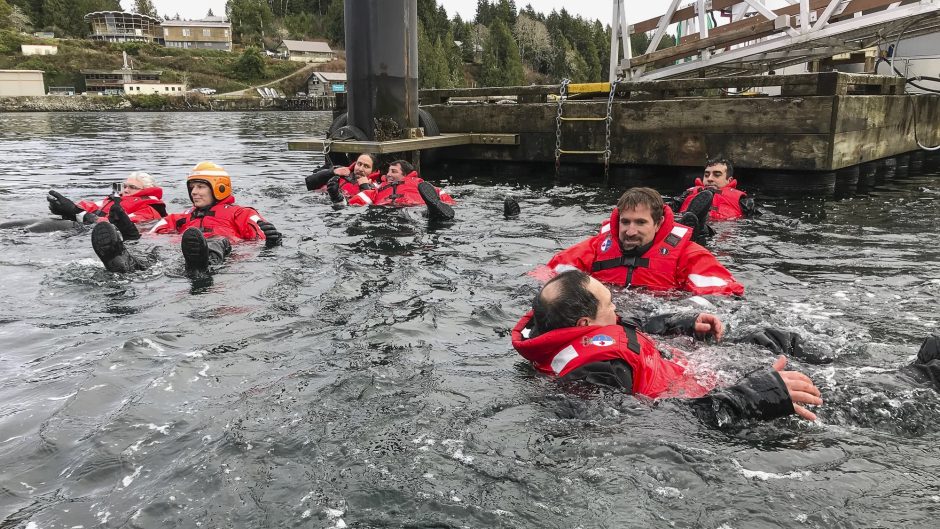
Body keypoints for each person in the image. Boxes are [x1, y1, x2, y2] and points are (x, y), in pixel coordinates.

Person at [512, 270, 823, 425]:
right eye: (609, 303)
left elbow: (630, 324)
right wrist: (748, 399)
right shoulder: (595, 375)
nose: (615, 307)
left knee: (772, 337)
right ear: (584, 325)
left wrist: (684, 322)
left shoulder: (564, 328)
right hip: (709, 398)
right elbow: (657, 425)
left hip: (693, 368)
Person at [546, 187, 745, 296]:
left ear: (658, 224)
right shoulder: (597, 247)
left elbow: (728, 294)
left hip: (659, 324)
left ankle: (700, 230)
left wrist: (682, 317)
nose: (630, 232)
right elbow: (547, 276)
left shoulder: (688, 255)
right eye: (625, 222)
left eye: (640, 223)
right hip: (609, 319)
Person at [90, 161, 282, 274]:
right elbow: (152, 236)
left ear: (219, 188)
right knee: (157, 249)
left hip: (223, 258)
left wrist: (273, 241)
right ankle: (126, 263)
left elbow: (258, 235)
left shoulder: (241, 213)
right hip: (178, 258)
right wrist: (129, 232)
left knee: (219, 241)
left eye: (200, 187)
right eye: (192, 188)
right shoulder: (180, 217)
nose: (194, 193)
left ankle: (204, 261)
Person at [330, 159, 457, 221]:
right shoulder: (378, 189)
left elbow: (448, 201)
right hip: (387, 209)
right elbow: (356, 201)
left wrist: (446, 204)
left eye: (394, 171)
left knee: (416, 215)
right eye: (388, 171)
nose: (389, 174)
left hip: (415, 207)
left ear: (406, 175)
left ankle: (432, 212)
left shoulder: (423, 186)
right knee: (414, 218)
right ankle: (433, 215)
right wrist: (338, 198)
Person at [47, 171, 167, 226]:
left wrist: (77, 213)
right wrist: (66, 207)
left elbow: (122, 224)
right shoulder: (117, 198)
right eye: (125, 186)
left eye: (132, 187)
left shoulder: (151, 209)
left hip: (100, 233)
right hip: (86, 226)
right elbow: (93, 206)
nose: (125, 190)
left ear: (145, 190)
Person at [673, 157, 756, 223]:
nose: (709, 179)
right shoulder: (688, 193)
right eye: (706, 175)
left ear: (729, 180)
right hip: (687, 226)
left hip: (723, 230)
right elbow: (667, 211)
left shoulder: (742, 200)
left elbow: (754, 220)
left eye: (716, 175)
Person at [305, 153, 382, 199]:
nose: (360, 169)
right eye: (359, 164)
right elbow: (309, 183)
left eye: (366, 166)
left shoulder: (375, 187)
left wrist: (364, 187)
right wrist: (332, 172)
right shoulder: (342, 173)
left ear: (373, 171)